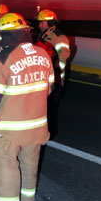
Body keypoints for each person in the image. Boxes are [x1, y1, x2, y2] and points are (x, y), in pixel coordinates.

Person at [0, 13, 54, 201]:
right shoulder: (43, 53)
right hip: (36, 125)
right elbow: (50, 87)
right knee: (30, 161)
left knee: (7, 165)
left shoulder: (1, 59)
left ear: (5, 35)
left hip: (8, 129)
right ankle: (27, 198)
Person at [36, 9, 70, 139]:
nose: (39, 25)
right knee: (44, 107)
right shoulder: (45, 35)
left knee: (50, 107)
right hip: (45, 78)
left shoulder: (59, 37)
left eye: (41, 22)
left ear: (46, 23)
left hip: (54, 80)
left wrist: (54, 72)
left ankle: (50, 133)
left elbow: (63, 58)